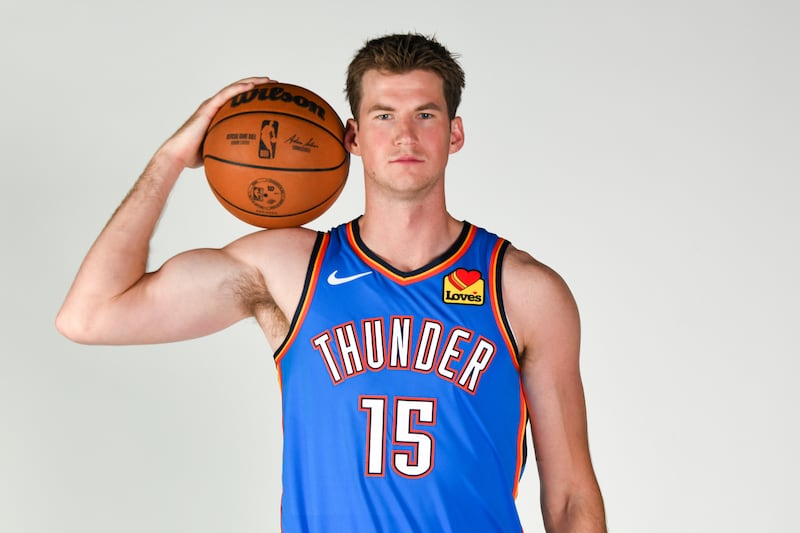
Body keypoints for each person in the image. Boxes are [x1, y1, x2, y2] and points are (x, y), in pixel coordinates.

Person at [57, 33, 606, 532]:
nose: (405, 135)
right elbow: (91, 314)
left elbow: (570, 500)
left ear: (455, 133)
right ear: (353, 136)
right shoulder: (290, 269)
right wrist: (173, 155)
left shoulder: (523, 291)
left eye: (426, 115)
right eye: (384, 116)